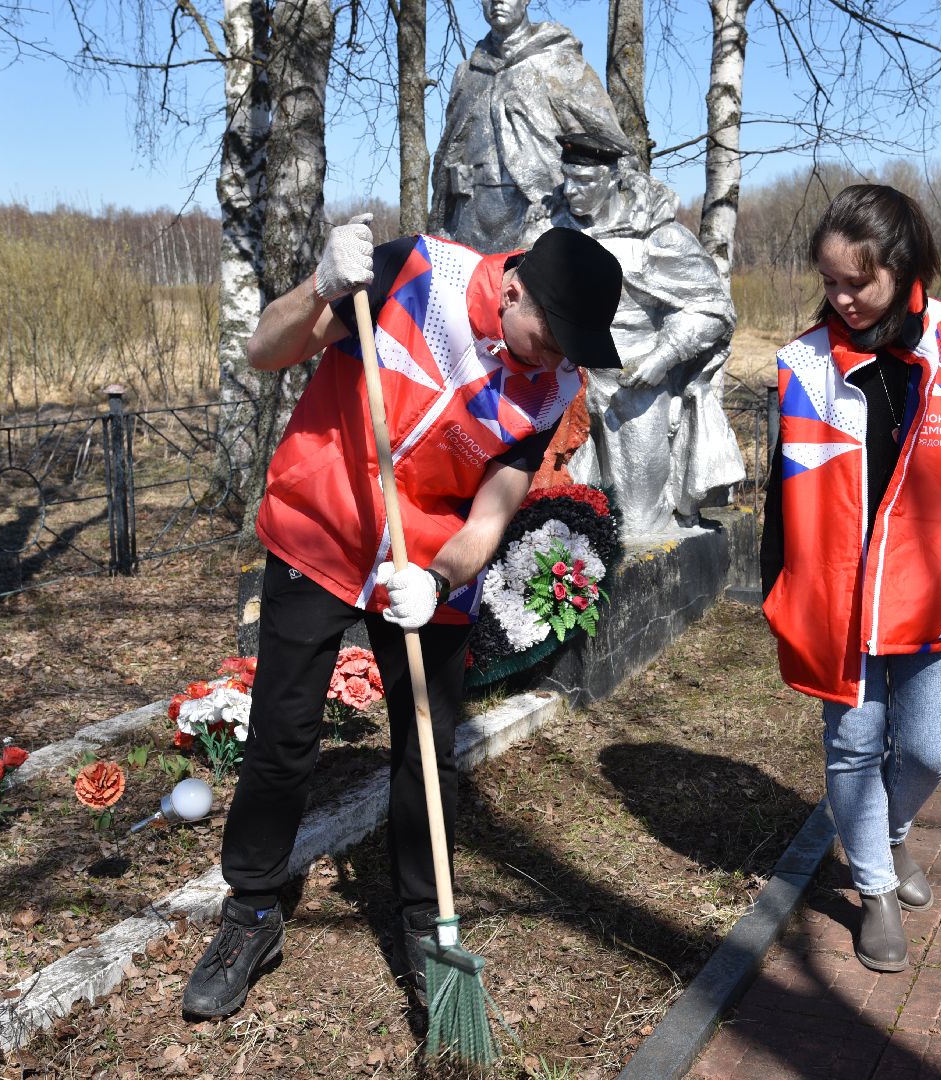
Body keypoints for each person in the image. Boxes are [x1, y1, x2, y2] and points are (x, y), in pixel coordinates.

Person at [182, 218, 624, 1019]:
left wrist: (440, 576)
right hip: (320, 530)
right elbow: (264, 349)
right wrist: (318, 287)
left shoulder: (554, 386)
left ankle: (425, 924)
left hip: (428, 565)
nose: (558, 360)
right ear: (513, 289)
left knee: (427, 748)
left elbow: (491, 516)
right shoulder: (414, 276)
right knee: (283, 733)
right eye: (552, 337)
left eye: (574, 349)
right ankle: (251, 912)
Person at [760, 185, 941, 972]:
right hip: (837, 590)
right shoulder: (806, 362)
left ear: (902, 268)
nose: (840, 298)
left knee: (931, 747)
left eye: (856, 282)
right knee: (854, 744)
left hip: (934, 581)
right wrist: (776, 588)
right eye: (829, 282)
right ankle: (873, 889)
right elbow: (782, 487)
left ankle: (894, 832)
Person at [538, 131, 744, 536]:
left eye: (585, 181)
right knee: (565, 517)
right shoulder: (551, 230)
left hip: (634, 392)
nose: (571, 190)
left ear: (613, 178)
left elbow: (713, 309)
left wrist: (662, 358)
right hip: (564, 389)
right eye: (568, 178)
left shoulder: (656, 236)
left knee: (638, 524)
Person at [430, 0, 630, 253]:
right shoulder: (467, 73)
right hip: (469, 222)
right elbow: (448, 152)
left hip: (541, 217)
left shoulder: (561, 63)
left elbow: (612, 145)